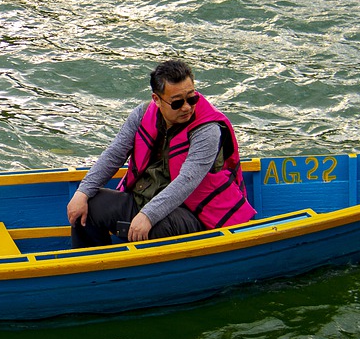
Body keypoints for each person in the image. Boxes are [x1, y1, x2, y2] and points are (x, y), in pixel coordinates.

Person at [66, 58, 255, 248]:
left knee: (158, 227)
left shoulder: (208, 130)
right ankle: (95, 263)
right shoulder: (141, 114)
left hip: (192, 214)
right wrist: (83, 192)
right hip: (143, 200)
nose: (187, 107)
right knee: (87, 206)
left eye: (192, 98)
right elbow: (114, 154)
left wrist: (148, 215)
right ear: (156, 99)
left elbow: (187, 180)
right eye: (177, 103)